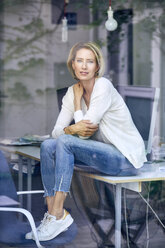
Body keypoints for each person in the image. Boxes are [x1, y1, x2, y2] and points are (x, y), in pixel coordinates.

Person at [26, 42, 147, 241]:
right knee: (48, 145)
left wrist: (76, 107)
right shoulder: (71, 92)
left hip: (123, 157)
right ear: (72, 64)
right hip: (99, 153)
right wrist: (72, 126)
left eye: (89, 62)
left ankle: (57, 214)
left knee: (65, 141)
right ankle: (54, 215)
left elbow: (82, 135)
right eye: (79, 61)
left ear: (97, 67)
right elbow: (55, 133)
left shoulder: (103, 86)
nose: (84, 66)